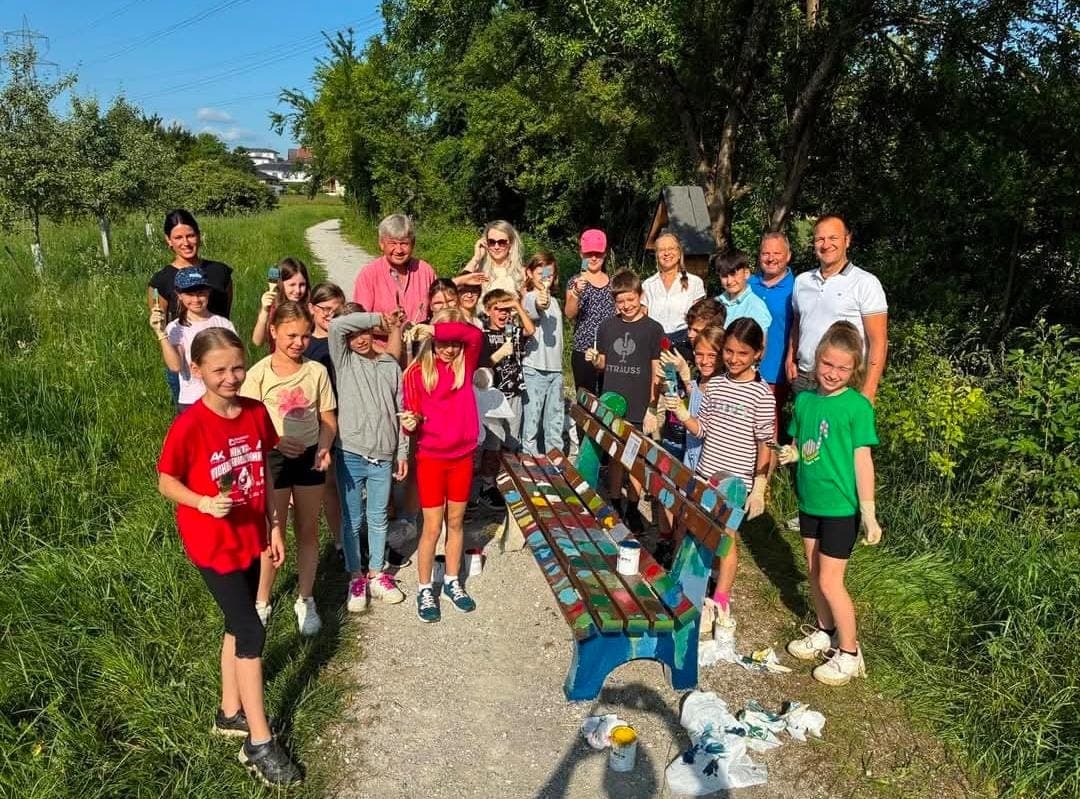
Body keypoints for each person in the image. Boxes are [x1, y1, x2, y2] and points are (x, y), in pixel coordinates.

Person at [156, 327, 300, 787]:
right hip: (211, 543)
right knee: (251, 628)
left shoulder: (256, 413)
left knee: (235, 625)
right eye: (219, 370)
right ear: (196, 371)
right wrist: (201, 501)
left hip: (249, 535)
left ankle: (230, 711)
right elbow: (166, 481)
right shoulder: (190, 425)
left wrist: (275, 526)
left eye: (237, 367)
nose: (231, 377)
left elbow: (269, 473)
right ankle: (259, 742)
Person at [779, 321, 882, 685]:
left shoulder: (856, 407)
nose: (833, 373)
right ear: (816, 361)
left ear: (854, 370)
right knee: (813, 571)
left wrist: (868, 513)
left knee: (831, 581)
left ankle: (850, 651)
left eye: (841, 367)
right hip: (810, 503)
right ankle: (824, 631)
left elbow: (861, 460)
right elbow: (801, 444)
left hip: (841, 508)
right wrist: (789, 454)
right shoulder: (805, 401)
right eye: (827, 364)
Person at [663, 318, 775, 640]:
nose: (734, 359)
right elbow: (704, 429)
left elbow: (764, 444)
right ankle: (690, 590)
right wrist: (684, 415)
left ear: (757, 353)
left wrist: (759, 487)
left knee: (726, 539)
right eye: (728, 351)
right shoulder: (714, 385)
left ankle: (720, 601)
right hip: (705, 473)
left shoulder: (762, 395)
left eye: (742, 353)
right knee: (699, 531)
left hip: (736, 481)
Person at [240, 302, 337, 636]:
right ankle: (262, 602)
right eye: (291, 335)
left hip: (310, 458)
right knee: (272, 532)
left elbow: (328, 418)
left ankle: (305, 598)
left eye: (305, 336)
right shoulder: (258, 374)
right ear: (273, 332)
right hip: (273, 461)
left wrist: (324, 446)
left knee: (308, 530)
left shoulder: (316, 372)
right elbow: (247, 426)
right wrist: (277, 441)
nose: (299, 342)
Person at [400, 309, 484, 623]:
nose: (449, 349)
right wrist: (410, 423)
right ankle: (425, 587)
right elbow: (412, 421)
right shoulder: (415, 372)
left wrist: (434, 327)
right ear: (432, 342)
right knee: (433, 526)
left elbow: (475, 335)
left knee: (458, 521)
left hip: (462, 456)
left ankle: (452, 580)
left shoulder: (466, 363)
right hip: (432, 458)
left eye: (454, 343)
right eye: (442, 342)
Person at [329, 308, 409, 612]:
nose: (359, 340)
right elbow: (336, 325)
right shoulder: (345, 362)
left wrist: (402, 450)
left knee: (378, 518)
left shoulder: (390, 364)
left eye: (364, 333)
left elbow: (401, 410)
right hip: (350, 453)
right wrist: (378, 319)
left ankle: (376, 573)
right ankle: (356, 576)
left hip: (383, 456)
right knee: (352, 520)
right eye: (353, 335)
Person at [586, 269, 663, 533]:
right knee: (616, 455)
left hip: (639, 404)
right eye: (620, 302)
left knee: (636, 459)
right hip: (613, 403)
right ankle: (616, 501)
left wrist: (652, 407)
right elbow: (604, 362)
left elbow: (657, 371)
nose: (626, 306)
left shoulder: (653, 329)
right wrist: (595, 360)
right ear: (614, 302)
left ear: (640, 296)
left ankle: (633, 505)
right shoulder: (607, 326)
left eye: (630, 299)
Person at [787, 215, 888, 403]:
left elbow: (879, 341)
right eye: (820, 239)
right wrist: (790, 358)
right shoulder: (802, 281)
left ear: (847, 240)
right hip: (804, 377)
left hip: (844, 381)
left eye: (833, 238)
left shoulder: (865, 283)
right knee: (803, 432)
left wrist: (869, 391)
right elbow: (797, 323)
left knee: (838, 433)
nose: (826, 245)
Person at [352, 214, 485, 349]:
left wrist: (460, 280)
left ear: (413, 243)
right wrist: (396, 329)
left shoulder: (424, 270)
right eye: (392, 243)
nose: (398, 250)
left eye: (404, 243)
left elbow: (439, 298)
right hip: (383, 353)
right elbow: (360, 321)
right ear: (381, 244)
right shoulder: (368, 274)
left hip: (423, 351)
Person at [147, 209, 233, 404]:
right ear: (168, 240)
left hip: (222, 361)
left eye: (190, 235)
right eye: (178, 237)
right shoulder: (161, 281)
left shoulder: (220, 273)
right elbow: (160, 323)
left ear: (199, 235)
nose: (185, 243)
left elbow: (226, 314)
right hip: (185, 369)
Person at [476, 288, 535, 506]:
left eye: (506, 309)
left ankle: (506, 481)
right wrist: (500, 353)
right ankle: (487, 485)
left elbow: (531, 330)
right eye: (497, 309)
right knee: (493, 442)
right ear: (488, 311)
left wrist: (517, 306)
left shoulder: (513, 331)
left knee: (511, 441)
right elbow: (482, 366)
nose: (502, 314)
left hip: (514, 391)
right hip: (493, 396)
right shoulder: (482, 335)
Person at [149, 268, 237, 413]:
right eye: (190, 294)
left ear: (208, 292)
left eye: (201, 293)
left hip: (224, 398)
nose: (196, 299)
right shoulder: (175, 328)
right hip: (192, 401)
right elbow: (175, 366)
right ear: (179, 295)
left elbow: (235, 360)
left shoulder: (223, 323)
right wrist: (160, 333)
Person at [305, 282, 347, 556]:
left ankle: (356, 532)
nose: (331, 314)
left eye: (338, 309)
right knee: (331, 484)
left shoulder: (346, 338)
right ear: (311, 308)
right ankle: (340, 539)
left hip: (351, 416)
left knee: (352, 482)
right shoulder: (306, 344)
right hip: (325, 421)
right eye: (325, 309)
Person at [521, 252, 564, 457]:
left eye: (549, 274)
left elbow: (548, 301)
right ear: (529, 273)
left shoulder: (555, 302)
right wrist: (542, 298)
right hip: (534, 367)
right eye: (540, 273)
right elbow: (539, 304)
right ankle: (528, 458)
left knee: (555, 419)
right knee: (532, 419)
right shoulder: (529, 297)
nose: (545, 278)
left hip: (556, 369)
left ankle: (555, 457)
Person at [565, 228, 616, 396]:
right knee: (585, 403)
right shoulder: (575, 281)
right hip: (583, 351)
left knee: (608, 401)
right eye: (589, 254)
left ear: (605, 254)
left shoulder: (614, 283)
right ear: (581, 254)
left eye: (598, 253)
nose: (593, 258)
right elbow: (570, 314)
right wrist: (576, 293)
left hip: (609, 352)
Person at [749, 233, 795, 416]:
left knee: (768, 423)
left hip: (775, 370)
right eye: (765, 253)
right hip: (743, 367)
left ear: (788, 256)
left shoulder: (797, 288)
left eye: (777, 253)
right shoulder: (748, 284)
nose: (770, 258)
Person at [642, 233, 706, 351]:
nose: (666, 253)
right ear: (657, 255)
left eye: (671, 248)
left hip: (684, 343)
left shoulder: (695, 282)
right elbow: (642, 318)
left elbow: (699, 319)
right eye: (662, 250)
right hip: (655, 343)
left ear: (679, 253)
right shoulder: (648, 285)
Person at [712, 251, 772, 342]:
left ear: (746, 274)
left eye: (733, 274)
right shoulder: (715, 303)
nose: (729, 281)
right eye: (724, 276)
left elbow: (760, 347)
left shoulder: (756, 306)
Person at [252, 258, 311, 349]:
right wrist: (265, 311)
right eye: (292, 285)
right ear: (280, 284)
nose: (298, 290)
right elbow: (257, 341)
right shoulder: (274, 308)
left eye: (302, 285)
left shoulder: (310, 308)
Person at [464, 220, 526, 300]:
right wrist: (476, 258)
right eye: (491, 242)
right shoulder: (477, 271)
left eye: (502, 242)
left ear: (511, 244)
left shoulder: (522, 273)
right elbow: (457, 287)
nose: (496, 247)